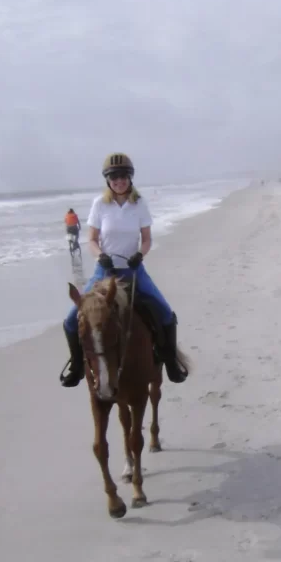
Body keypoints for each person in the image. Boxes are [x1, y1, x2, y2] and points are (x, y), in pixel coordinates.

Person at [60, 153, 189, 387]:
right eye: (114, 177)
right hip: (104, 272)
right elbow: (91, 240)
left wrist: (140, 254)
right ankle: (77, 366)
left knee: (166, 313)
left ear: (130, 178)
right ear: (107, 180)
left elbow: (147, 239)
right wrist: (101, 256)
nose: (119, 181)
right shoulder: (100, 204)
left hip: (133, 271)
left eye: (123, 176)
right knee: (71, 320)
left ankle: (171, 363)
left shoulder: (139, 204)